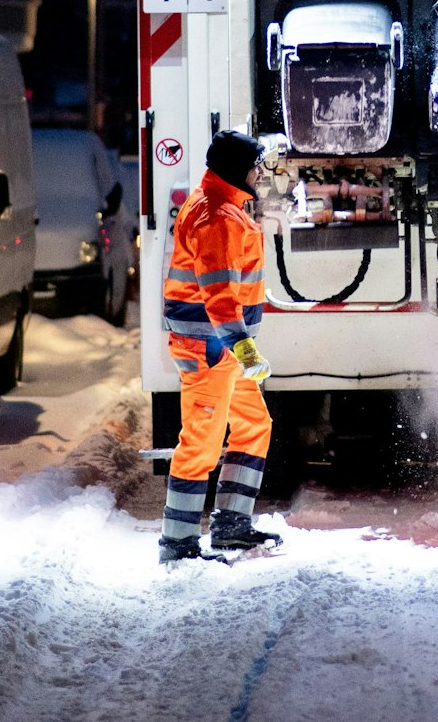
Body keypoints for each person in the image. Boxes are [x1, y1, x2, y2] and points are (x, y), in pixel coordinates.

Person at [158, 129, 283, 563]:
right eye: (254, 166)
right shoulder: (219, 218)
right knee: (201, 445)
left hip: (222, 351)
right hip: (212, 350)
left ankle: (231, 528)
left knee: (253, 426)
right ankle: (178, 546)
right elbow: (218, 294)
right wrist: (243, 349)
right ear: (236, 169)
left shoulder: (219, 204)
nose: (259, 174)